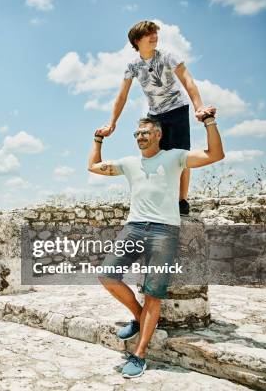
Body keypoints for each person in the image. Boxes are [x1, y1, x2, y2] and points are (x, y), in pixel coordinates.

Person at [88, 113, 224, 378]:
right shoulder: (129, 163)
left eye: (145, 132)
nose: (140, 136)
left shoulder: (175, 157)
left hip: (164, 231)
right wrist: (98, 139)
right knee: (106, 275)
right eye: (137, 133)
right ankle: (140, 318)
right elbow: (93, 167)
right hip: (134, 227)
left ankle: (139, 355)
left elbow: (215, 154)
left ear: (158, 134)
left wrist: (209, 123)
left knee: (153, 292)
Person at [97, 20, 216, 215]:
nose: (154, 36)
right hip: (154, 115)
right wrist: (112, 123)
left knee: (182, 156)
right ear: (137, 41)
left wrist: (199, 107)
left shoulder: (167, 56)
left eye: (155, 32)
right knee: (154, 156)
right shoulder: (133, 66)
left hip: (177, 109)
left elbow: (187, 79)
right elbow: (122, 96)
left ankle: (181, 200)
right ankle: (161, 197)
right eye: (148, 34)